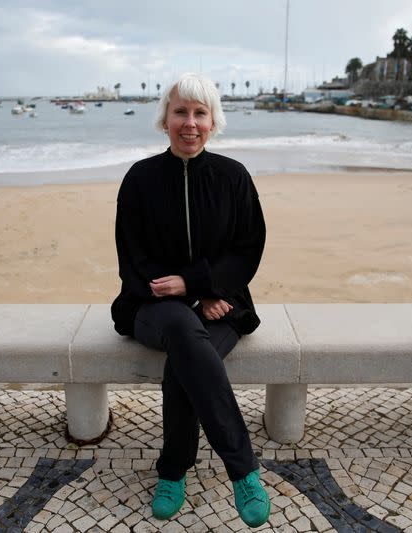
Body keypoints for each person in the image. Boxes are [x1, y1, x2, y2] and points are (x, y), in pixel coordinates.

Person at [111, 72, 270, 528]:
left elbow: (247, 249)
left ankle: (174, 471)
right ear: (165, 120)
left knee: (183, 362)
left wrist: (203, 288)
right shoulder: (140, 179)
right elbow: (132, 257)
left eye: (200, 113)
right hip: (151, 305)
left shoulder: (233, 177)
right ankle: (244, 469)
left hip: (223, 304)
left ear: (213, 122)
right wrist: (194, 294)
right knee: (182, 328)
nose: (190, 122)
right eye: (181, 111)